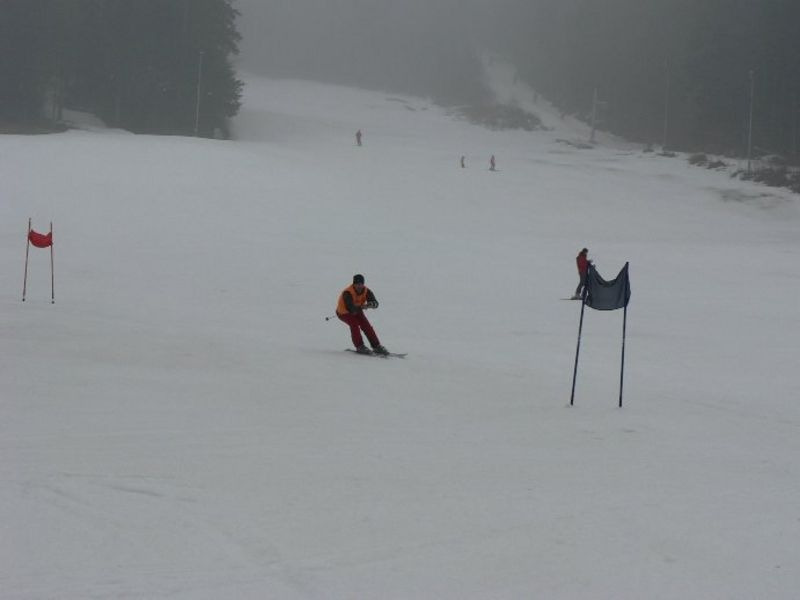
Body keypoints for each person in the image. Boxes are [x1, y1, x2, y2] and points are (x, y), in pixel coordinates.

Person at [337, 274, 388, 355]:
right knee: (354, 324)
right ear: (354, 284)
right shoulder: (347, 292)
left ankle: (376, 346)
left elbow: (375, 303)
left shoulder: (366, 291)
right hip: (343, 312)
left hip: (357, 310)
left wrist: (372, 304)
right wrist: (363, 306)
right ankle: (360, 346)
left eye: (361, 284)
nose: (359, 286)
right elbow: (350, 309)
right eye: (357, 284)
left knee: (366, 326)